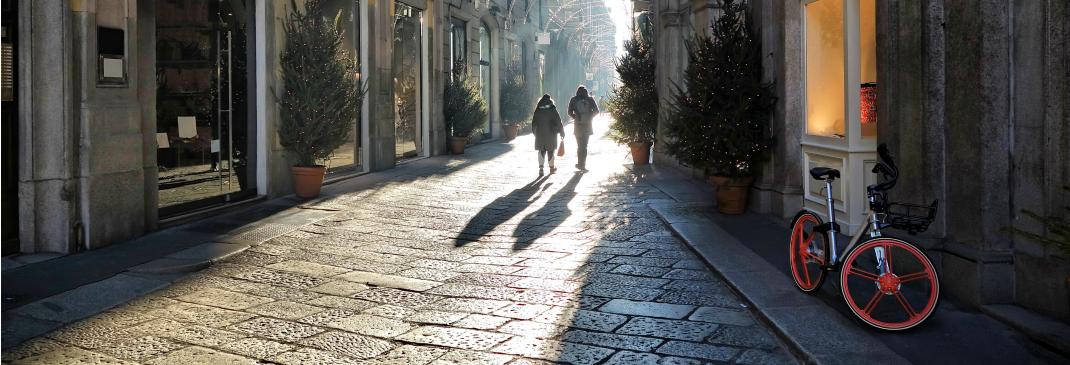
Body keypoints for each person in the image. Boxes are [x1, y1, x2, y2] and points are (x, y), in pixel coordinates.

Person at [567, 85, 600, 171]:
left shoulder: (573, 99)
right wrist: (590, 117)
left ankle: (579, 163)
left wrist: (576, 117)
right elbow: (597, 111)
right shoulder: (590, 99)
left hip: (578, 125)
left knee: (579, 145)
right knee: (585, 146)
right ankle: (583, 164)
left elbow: (569, 112)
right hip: (588, 125)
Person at [531, 94, 565, 175]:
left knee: (541, 150)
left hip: (540, 133)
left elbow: (533, 123)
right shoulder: (553, 110)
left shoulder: (538, 110)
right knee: (551, 150)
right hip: (551, 133)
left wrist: (535, 133)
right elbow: (559, 122)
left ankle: (541, 168)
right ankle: (551, 167)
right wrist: (562, 132)